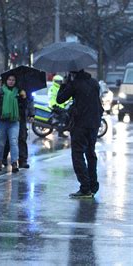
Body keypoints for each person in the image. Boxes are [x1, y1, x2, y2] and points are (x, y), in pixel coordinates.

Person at [57, 69, 103, 198]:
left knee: (77, 154)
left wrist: (65, 84)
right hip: (94, 123)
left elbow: (60, 99)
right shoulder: (94, 83)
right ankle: (93, 186)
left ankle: (85, 188)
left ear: (72, 73)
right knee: (91, 153)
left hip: (80, 124)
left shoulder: (74, 84)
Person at [0, 75, 27, 172]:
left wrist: (23, 98)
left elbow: (23, 108)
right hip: (1, 121)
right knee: (1, 143)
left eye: (13, 80)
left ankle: (14, 163)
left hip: (14, 122)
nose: (11, 81)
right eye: (9, 80)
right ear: (6, 81)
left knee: (13, 142)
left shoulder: (18, 92)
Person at [3, 85, 34, 168]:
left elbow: (30, 102)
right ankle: (3, 158)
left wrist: (31, 114)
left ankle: (23, 161)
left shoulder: (26, 91)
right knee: (9, 139)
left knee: (22, 138)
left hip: (22, 118)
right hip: (11, 117)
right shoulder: (10, 87)